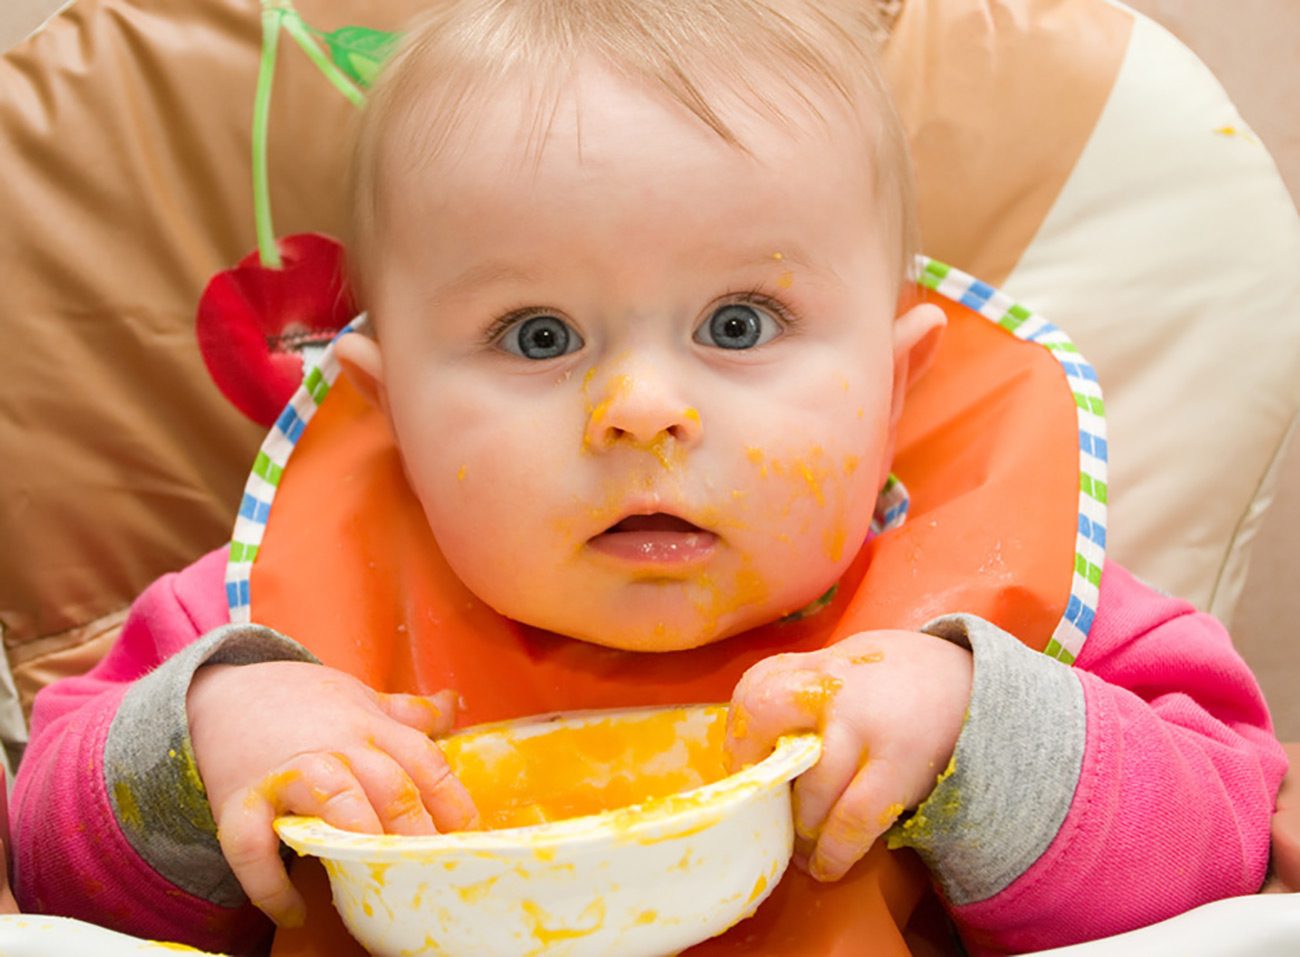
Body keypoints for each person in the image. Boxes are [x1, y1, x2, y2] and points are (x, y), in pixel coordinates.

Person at [11, 0, 1287, 954]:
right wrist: (202, 751)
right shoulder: (269, 633)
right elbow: (48, 872)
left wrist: (982, 735)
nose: (641, 410)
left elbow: (1234, 858)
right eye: (538, 336)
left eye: (738, 324)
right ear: (389, 412)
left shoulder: (1008, 611)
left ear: (896, 392)